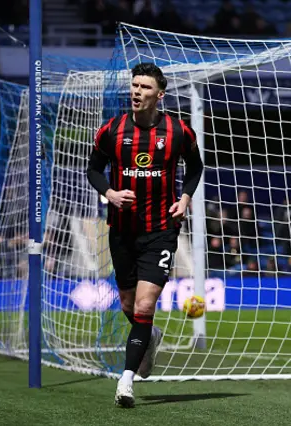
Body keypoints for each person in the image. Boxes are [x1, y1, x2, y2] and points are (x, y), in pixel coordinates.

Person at [86, 62, 204, 408]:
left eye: (145, 87)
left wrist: (184, 199)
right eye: (134, 85)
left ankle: (126, 381)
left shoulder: (179, 132)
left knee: (144, 303)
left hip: (161, 231)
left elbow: (195, 169)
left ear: (159, 95)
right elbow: (93, 168)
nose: (136, 91)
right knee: (128, 305)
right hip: (121, 231)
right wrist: (110, 193)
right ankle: (149, 335)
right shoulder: (112, 130)